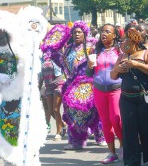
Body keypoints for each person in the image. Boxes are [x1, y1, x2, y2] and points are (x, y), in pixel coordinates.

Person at [0, 8, 47, 165]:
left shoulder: (20, 48)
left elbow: (28, 75)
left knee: (25, 138)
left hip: (19, 101)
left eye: (1, 28)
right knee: (5, 139)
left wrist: (15, 92)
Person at [51, 20, 105, 150]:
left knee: (94, 111)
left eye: (79, 32)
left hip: (88, 83)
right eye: (74, 32)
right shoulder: (69, 48)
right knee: (72, 113)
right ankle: (76, 140)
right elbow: (62, 64)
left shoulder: (91, 46)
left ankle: (100, 136)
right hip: (71, 85)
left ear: (85, 34)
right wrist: (54, 52)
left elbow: (97, 62)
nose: (76, 34)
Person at [110, 28, 148, 166]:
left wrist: (137, 64)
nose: (122, 43)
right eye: (122, 40)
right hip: (126, 100)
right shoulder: (121, 57)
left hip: (144, 99)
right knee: (129, 131)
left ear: (134, 40)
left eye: (125, 39)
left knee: (145, 129)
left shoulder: (144, 53)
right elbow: (112, 76)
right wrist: (117, 69)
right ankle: (132, 161)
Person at [86, 24, 123, 164]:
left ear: (114, 35)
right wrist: (89, 67)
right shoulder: (96, 50)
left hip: (116, 90)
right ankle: (112, 153)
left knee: (116, 121)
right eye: (102, 31)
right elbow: (89, 73)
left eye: (107, 31)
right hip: (99, 90)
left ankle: (124, 147)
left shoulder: (120, 50)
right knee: (106, 123)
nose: (104, 33)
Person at [38, 53, 67, 141]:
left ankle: (58, 133)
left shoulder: (57, 54)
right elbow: (41, 76)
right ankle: (63, 124)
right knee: (51, 111)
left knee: (56, 109)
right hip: (48, 86)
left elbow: (64, 66)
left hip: (58, 84)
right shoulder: (42, 56)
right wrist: (38, 89)